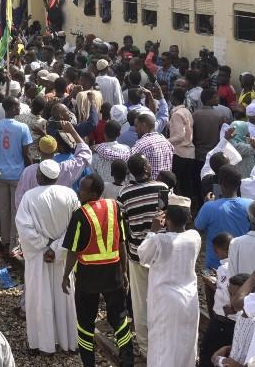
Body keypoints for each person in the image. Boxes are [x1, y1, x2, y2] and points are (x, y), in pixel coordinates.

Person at [62, 172, 134, 367]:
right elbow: (122, 242)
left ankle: (88, 363)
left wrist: (66, 275)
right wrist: (124, 270)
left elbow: (73, 251)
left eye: (82, 189)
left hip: (88, 277)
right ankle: (128, 360)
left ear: (93, 194)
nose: (79, 192)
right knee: (120, 318)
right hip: (113, 273)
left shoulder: (80, 215)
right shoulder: (115, 207)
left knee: (85, 323)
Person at [14, 159, 80, 356]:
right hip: (62, 258)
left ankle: (42, 345)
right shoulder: (70, 194)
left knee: (39, 299)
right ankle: (67, 341)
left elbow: (24, 228)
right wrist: (56, 248)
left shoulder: (29, 197)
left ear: (39, 176)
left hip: (38, 258)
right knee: (64, 298)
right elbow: (75, 227)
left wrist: (45, 246)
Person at [116, 153, 169, 357]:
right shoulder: (162, 188)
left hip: (137, 253)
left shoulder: (124, 194)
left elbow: (122, 223)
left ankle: (146, 347)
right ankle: (164, 340)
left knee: (140, 302)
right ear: (146, 169)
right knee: (162, 297)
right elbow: (168, 215)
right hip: (161, 252)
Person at [137, 194, 200, 367]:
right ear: (189, 218)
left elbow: (143, 256)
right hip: (189, 299)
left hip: (165, 302)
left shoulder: (160, 240)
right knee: (185, 344)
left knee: (163, 346)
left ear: (167, 219)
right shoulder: (194, 237)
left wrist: (153, 230)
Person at [0, 96, 33, 254]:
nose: (19, 108)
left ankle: (5, 240)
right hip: (17, 175)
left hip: (1, 174)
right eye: (18, 106)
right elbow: (26, 154)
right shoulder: (23, 127)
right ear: (12, 108)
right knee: (16, 210)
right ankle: (14, 243)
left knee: (4, 209)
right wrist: (31, 171)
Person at [195, 165, 252, 269]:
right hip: (242, 265)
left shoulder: (209, 207)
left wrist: (206, 204)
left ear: (220, 183)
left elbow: (198, 228)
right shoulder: (251, 205)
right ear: (240, 183)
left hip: (215, 268)